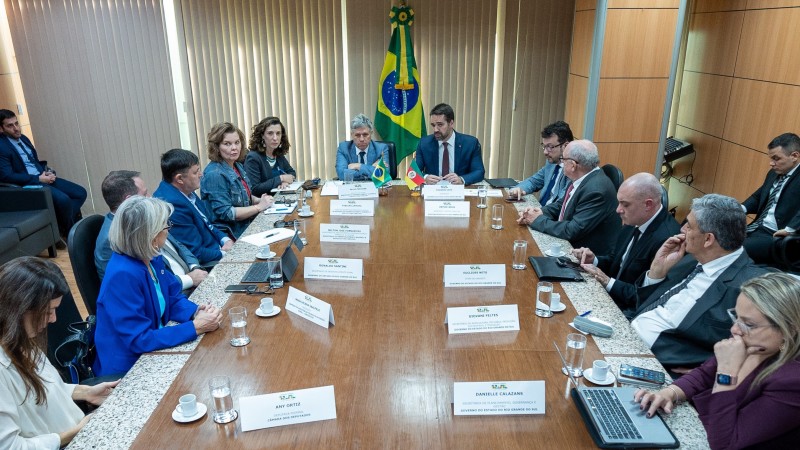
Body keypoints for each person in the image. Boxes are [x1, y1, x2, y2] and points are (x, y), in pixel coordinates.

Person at [635, 272, 800, 449]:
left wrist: (726, 372)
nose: (735, 329)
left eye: (749, 324)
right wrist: (670, 392)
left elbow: (724, 443)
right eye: (736, 317)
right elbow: (704, 374)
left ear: (788, 330)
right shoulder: (758, 343)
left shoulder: (792, 381)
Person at [629, 194, 771, 371]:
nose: (682, 230)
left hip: (657, 366)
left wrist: (702, 372)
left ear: (708, 239)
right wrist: (656, 272)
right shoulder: (689, 259)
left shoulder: (748, 288)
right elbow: (643, 306)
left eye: (689, 225)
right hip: (629, 335)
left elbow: (755, 351)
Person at [93, 196, 222, 376]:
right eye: (165, 226)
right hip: (130, 369)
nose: (168, 231)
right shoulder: (122, 275)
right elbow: (139, 339)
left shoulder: (150, 257)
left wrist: (194, 312)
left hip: (155, 348)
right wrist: (195, 327)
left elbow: (172, 295)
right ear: (151, 236)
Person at [0, 257, 119, 449]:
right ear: (18, 309)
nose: (53, 319)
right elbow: (10, 446)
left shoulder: (20, 338)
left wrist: (86, 392)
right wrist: (74, 433)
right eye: (48, 312)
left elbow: (46, 388)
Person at [573, 173, 680, 310]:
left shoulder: (667, 241)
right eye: (619, 202)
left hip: (626, 309)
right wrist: (594, 260)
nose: (618, 210)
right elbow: (616, 260)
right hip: (607, 296)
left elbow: (647, 296)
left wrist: (607, 281)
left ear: (648, 204)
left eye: (625, 204)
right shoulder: (634, 220)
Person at [95, 170, 207, 290]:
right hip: (176, 292)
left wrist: (194, 266)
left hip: (188, 281)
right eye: (145, 194)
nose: (151, 197)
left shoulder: (144, 218)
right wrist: (189, 279)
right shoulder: (114, 239)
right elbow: (147, 284)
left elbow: (178, 245)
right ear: (130, 201)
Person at [517, 139, 620, 254]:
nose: (561, 163)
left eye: (563, 159)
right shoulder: (584, 176)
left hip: (584, 255)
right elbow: (563, 204)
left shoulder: (596, 191)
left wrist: (537, 221)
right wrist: (539, 212)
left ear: (573, 165)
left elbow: (572, 230)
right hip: (569, 243)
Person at [0, 109, 87, 241]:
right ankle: (71, 235)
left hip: (42, 176)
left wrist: (46, 171)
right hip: (30, 183)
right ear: (1, 129)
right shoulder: (2, 147)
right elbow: (6, 176)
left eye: (17, 123)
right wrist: (38, 178)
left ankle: (59, 225)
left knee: (80, 193)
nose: (16, 128)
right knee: (64, 200)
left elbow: (33, 161)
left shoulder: (23, 138)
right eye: (10, 126)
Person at [153, 149, 233, 266]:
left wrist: (225, 240)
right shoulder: (173, 205)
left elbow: (208, 224)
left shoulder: (185, 189)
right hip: (209, 262)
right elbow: (196, 252)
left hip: (217, 248)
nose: (201, 175)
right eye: (195, 172)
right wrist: (225, 254)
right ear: (179, 179)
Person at [201, 122, 273, 239]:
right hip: (231, 234)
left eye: (237, 142)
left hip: (247, 226)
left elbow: (244, 196)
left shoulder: (237, 165)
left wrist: (260, 200)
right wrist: (259, 207)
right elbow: (227, 213)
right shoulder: (214, 174)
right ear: (216, 147)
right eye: (227, 144)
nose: (234, 148)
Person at [741, 132, 800, 265]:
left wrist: (789, 230)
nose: (771, 163)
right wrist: (740, 208)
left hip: (777, 235)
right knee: (715, 235)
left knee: (734, 249)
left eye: (776, 158)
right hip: (757, 228)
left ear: (794, 156)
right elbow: (759, 197)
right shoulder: (773, 173)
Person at [415, 103, 485, 185]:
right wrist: (425, 178)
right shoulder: (424, 143)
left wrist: (461, 179)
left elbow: (479, 171)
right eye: (433, 125)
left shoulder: (470, 143)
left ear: (451, 123)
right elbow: (413, 172)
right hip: (433, 191)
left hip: (459, 190)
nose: (435, 129)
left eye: (440, 125)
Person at [507, 120, 573, 206]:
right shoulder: (551, 163)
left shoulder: (573, 170)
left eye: (550, 147)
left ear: (565, 146)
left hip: (552, 215)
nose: (545, 152)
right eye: (544, 146)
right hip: (541, 210)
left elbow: (561, 204)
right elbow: (533, 181)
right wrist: (518, 189)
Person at [245, 116, 297, 196]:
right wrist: (281, 178)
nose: (275, 138)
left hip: (279, 200)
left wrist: (285, 181)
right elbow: (254, 189)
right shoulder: (253, 157)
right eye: (270, 133)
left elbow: (292, 173)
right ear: (262, 135)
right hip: (263, 203)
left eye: (278, 133)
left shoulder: (278, 154)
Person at [335, 114, 389, 181]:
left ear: (371, 133)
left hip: (374, 189)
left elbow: (384, 174)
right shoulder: (343, 148)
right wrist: (372, 169)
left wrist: (359, 166)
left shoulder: (381, 149)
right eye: (357, 135)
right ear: (352, 135)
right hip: (351, 189)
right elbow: (342, 175)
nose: (361, 139)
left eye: (365, 134)